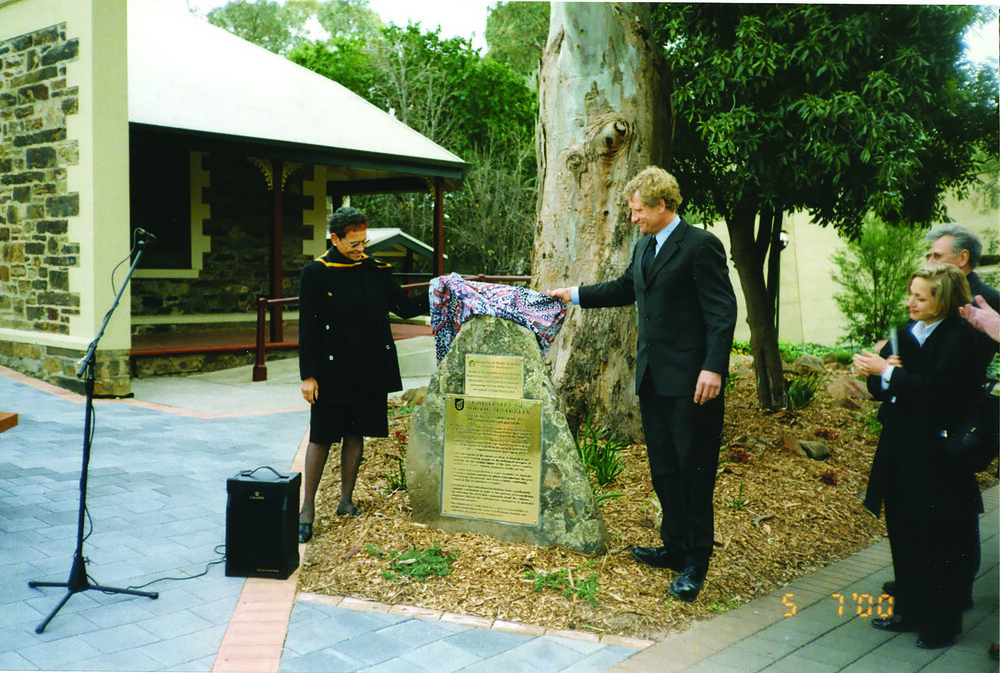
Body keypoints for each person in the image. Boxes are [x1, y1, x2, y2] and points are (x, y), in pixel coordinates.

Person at [547, 166, 737, 602]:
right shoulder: (644, 247)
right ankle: (674, 548)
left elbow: (722, 311)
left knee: (694, 471)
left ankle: (696, 562)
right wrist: (573, 294)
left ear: (661, 205)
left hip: (693, 383)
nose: (633, 218)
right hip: (653, 379)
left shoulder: (701, 246)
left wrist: (714, 367)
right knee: (665, 469)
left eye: (637, 211)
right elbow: (623, 289)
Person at [854, 264, 983, 649]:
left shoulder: (958, 339)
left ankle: (941, 624)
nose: (911, 302)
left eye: (921, 297)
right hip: (900, 446)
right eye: (910, 293)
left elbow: (939, 394)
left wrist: (890, 374)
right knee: (905, 531)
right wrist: (877, 374)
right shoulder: (905, 331)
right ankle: (909, 610)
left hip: (937, 454)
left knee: (939, 538)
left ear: (941, 301)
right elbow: (882, 387)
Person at [880, 224, 999, 606]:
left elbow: (947, 382)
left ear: (961, 259)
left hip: (950, 427)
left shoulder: (981, 308)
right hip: (910, 430)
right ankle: (917, 590)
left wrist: (894, 373)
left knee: (951, 520)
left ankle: (952, 594)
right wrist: (888, 368)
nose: (928, 260)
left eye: (936, 256)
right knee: (914, 518)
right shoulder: (916, 323)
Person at [296, 207, 429, 543]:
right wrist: (308, 375)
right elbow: (308, 326)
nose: (360, 250)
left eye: (364, 243)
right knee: (322, 437)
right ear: (335, 239)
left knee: (356, 435)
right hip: (330, 370)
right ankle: (307, 510)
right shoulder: (316, 272)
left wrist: (443, 290)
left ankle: (345, 501)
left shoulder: (375, 270)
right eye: (353, 244)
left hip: (368, 368)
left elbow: (406, 307)